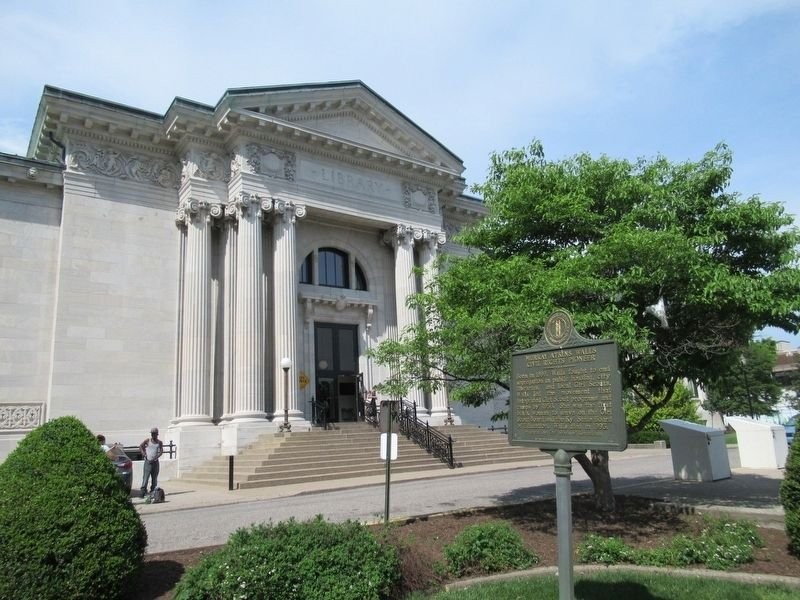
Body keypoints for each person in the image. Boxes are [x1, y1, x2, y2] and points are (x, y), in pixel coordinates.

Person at [139, 427, 163, 497]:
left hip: (155, 462)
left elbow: (161, 451)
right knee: (146, 477)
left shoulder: (159, 442)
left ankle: (153, 490)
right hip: (148, 461)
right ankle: (143, 491)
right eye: (152, 434)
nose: (153, 435)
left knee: (154, 477)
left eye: (154, 434)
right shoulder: (147, 440)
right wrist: (143, 453)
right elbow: (140, 446)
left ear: (157, 434)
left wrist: (156, 457)